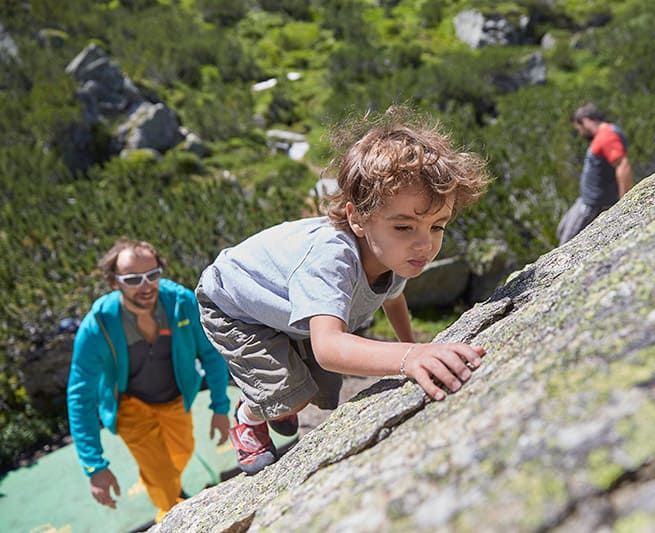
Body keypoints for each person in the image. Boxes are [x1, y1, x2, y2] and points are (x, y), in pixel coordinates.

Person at [195, 107, 491, 475]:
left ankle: (281, 401)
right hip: (233, 305)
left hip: (279, 305)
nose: (424, 245)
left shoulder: (394, 255)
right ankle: (250, 414)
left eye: (437, 227)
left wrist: (412, 342)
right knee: (292, 395)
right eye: (404, 227)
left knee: (315, 390)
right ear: (357, 218)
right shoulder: (331, 259)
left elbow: (392, 297)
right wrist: (409, 356)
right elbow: (329, 348)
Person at [66, 239, 231, 522]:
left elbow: (210, 353)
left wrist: (220, 406)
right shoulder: (99, 325)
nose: (145, 286)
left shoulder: (180, 302)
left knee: (182, 452)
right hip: (131, 406)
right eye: (132, 279)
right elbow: (80, 396)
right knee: (163, 476)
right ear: (113, 281)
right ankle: (172, 515)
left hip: (176, 398)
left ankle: (164, 488)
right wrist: (94, 466)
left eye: (152, 275)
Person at [557, 103, 634, 245]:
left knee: (567, 243)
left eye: (579, 128)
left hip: (593, 206)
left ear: (585, 121)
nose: (580, 133)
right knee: (562, 229)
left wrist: (626, 202)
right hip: (585, 200)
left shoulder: (607, 136)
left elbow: (622, 166)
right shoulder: (605, 133)